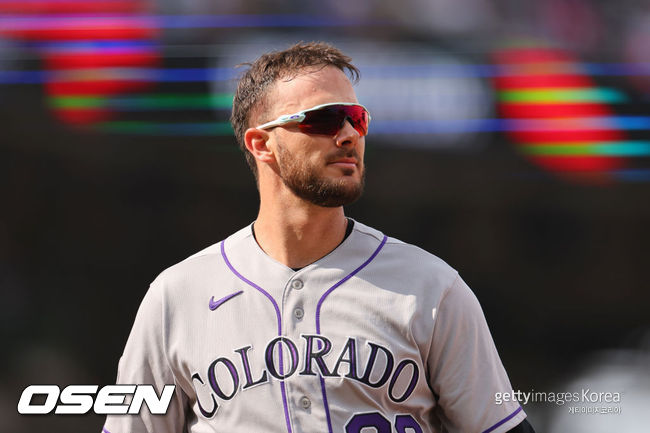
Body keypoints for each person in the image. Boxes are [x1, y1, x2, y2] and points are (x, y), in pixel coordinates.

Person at [102, 42, 535, 433]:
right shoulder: (177, 297)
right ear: (261, 144)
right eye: (325, 119)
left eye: (356, 118)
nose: (348, 135)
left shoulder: (433, 288)